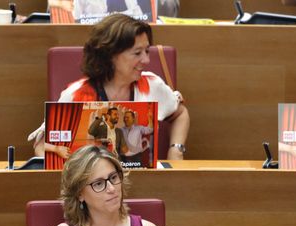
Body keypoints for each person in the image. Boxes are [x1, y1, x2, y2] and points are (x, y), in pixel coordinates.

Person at [30, 13, 189, 161]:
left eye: (147, 51)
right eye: (137, 53)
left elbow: (180, 114)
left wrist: (176, 149)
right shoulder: (76, 94)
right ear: (110, 55)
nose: (146, 60)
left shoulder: (152, 85)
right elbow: (42, 144)